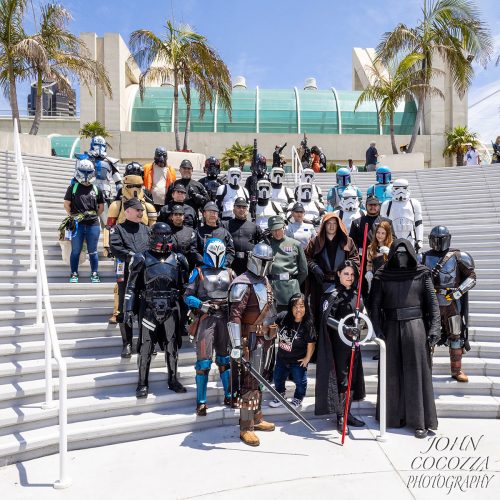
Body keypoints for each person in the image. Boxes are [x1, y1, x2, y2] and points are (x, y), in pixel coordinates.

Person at [370, 239, 440, 438]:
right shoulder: (382, 275)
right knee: (391, 374)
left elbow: (432, 304)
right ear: (392, 254)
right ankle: (392, 417)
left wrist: (434, 327)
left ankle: (420, 421)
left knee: (416, 374)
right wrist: (376, 329)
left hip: (416, 327)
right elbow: (374, 305)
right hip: (390, 328)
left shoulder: (422, 273)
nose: (401, 257)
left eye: (404, 252)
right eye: (397, 253)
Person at [124, 222, 189, 398]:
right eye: (160, 234)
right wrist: (128, 310)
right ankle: (142, 383)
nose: (164, 238)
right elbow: (131, 287)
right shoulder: (141, 258)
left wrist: (188, 312)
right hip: (149, 309)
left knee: (172, 345)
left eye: (167, 234)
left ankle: (173, 379)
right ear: (152, 236)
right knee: (146, 346)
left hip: (171, 307)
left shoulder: (179, 259)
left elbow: (185, 289)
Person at [228, 243, 277, 447]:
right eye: (262, 261)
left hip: (266, 338)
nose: (265, 266)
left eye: (268, 262)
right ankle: (246, 426)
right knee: (249, 383)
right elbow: (234, 317)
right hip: (251, 340)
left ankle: (257, 418)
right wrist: (237, 345)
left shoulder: (264, 280)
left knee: (261, 381)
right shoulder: (242, 283)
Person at [184, 238, 235, 415]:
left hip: (225, 318)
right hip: (206, 317)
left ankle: (229, 395)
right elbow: (187, 296)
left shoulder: (230, 272)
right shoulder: (198, 272)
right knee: (204, 362)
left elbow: (238, 294)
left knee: (224, 359)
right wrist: (202, 305)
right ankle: (201, 402)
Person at [315, 260, 366, 432]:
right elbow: (326, 319)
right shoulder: (332, 294)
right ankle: (340, 416)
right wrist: (345, 328)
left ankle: (347, 412)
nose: (349, 277)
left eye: (352, 274)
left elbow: (362, 317)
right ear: (338, 274)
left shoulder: (356, 294)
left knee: (353, 377)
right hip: (337, 345)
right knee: (342, 378)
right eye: (346, 274)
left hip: (354, 343)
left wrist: (361, 327)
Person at [421, 226, 476, 382]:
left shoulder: (459, 256)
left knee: (456, 334)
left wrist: (457, 293)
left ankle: (456, 370)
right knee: (428, 334)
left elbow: (471, 278)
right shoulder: (422, 258)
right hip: (430, 302)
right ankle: (426, 370)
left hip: (452, 302)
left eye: (441, 239)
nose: (438, 242)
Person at [105, 162, 157, 323]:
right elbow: (109, 226)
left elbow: (152, 228)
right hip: (122, 249)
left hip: (142, 247)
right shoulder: (117, 205)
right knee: (121, 284)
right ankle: (118, 310)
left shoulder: (147, 206)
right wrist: (107, 245)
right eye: (131, 185)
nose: (135, 188)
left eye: (138, 185)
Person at [109, 198, 151, 358]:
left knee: (145, 309)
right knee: (125, 308)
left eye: (142, 210)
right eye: (138, 210)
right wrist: (132, 256)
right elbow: (116, 247)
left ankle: (144, 342)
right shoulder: (117, 229)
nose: (141, 213)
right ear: (128, 211)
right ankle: (127, 343)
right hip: (127, 275)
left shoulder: (146, 229)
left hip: (145, 275)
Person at [304, 213, 359, 326]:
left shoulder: (347, 241)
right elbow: (306, 257)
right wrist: (314, 267)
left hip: (342, 285)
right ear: (324, 225)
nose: (332, 226)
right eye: (329, 223)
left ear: (339, 225)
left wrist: (346, 269)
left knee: (341, 314)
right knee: (321, 315)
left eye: (334, 223)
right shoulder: (315, 241)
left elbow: (355, 259)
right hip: (321, 284)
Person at [269, 293, 316, 409]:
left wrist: (307, 358)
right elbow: (271, 321)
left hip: (298, 360)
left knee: (300, 382)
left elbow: (311, 343)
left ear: (306, 307)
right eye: (295, 306)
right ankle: (280, 395)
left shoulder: (308, 325)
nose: (298, 309)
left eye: (301, 306)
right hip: (282, 357)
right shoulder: (284, 316)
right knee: (278, 378)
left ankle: (298, 398)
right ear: (290, 307)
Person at [63, 159, 104, 283]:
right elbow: (66, 205)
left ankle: (95, 273)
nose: (86, 175)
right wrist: (74, 216)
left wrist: (92, 216)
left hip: (93, 225)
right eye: (83, 172)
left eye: (88, 172)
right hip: (78, 225)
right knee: (75, 250)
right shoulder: (73, 188)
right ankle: (74, 273)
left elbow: (101, 208)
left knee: (93, 251)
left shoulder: (97, 189)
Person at [267, 216, 308, 312]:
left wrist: (294, 282)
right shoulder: (266, 245)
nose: (277, 233)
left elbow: (304, 270)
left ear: (284, 227)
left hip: (290, 289)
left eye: (279, 229)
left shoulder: (295, 244)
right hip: (272, 289)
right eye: (273, 230)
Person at [75, 135, 123, 216]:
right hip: (87, 193)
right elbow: (76, 178)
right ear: (92, 145)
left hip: (105, 195)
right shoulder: (84, 160)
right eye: (97, 145)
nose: (99, 147)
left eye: (102, 146)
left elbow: (118, 182)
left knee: (106, 220)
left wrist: (119, 195)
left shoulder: (110, 162)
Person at [222, 197, 263, 276]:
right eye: (238, 207)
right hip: (231, 264)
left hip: (249, 265)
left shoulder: (255, 227)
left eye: (244, 207)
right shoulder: (225, 225)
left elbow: (261, 246)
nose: (241, 209)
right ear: (233, 209)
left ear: (247, 210)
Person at [380, 178, 423, 252]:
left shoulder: (414, 203)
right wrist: (382, 241)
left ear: (408, 188)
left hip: (410, 237)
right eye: (397, 188)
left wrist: (419, 240)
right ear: (393, 189)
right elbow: (383, 225)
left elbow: (418, 223)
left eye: (404, 188)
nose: (401, 191)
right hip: (393, 237)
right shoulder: (387, 204)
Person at [197, 202, 235, 267]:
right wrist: (205, 263)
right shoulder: (198, 232)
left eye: (215, 212)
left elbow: (230, 251)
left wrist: (224, 264)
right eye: (210, 212)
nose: (212, 215)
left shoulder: (225, 233)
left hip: (221, 269)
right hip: (203, 269)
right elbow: (194, 251)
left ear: (218, 215)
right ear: (204, 214)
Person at [143, 147, 177, 212]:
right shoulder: (148, 168)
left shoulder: (170, 170)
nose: (161, 163)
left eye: (162, 161)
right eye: (159, 161)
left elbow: (173, 186)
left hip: (165, 203)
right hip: (150, 202)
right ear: (155, 158)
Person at [365, 220, 393, 292]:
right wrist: (369, 272)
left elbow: (397, 264)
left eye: (383, 233)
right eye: (378, 232)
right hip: (376, 281)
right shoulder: (370, 247)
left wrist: (390, 254)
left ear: (387, 234)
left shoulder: (392, 247)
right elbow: (369, 263)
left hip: (389, 282)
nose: (380, 235)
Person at [245, 153, 268, 220]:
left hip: (263, 206)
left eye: (263, 165)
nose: (261, 167)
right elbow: (246, 193)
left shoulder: (266, 180)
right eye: (260, 165)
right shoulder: (250, 179)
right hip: (252, 205)